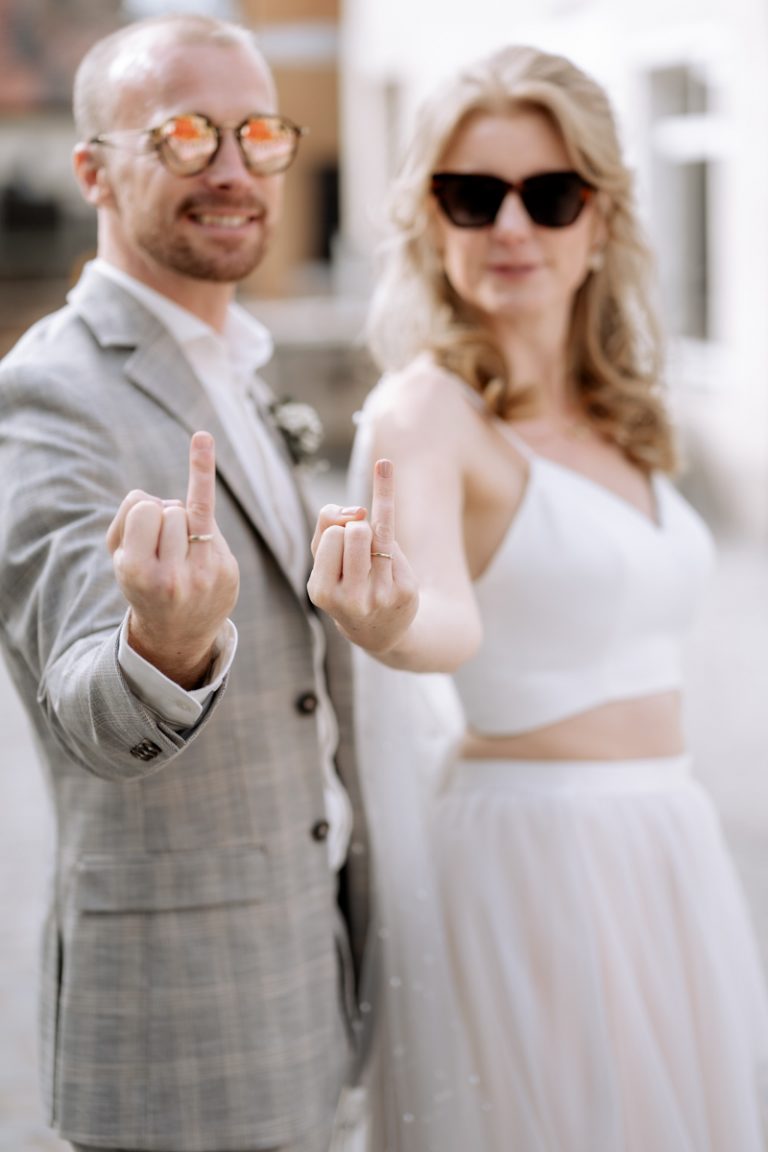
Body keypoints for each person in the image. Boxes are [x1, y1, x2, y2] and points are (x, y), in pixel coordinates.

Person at [308, 44, 768, 1151]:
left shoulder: (629, 408)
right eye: (473, 197)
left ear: (600, 220)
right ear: (431, 220)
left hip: (665, 837)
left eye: (550, 196)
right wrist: (390, 623)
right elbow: (448, 614)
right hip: (535, 862)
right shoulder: (426, 414)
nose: (512, 227)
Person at [0, 14, 368, 1152]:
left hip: (307, 972)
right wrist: (163, 646)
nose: (231, 167)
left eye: (255, 133)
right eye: (185, 135)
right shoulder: (48, 394)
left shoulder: (239, 365)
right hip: (178, 1021)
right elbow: (84, 705)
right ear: (92, 169)